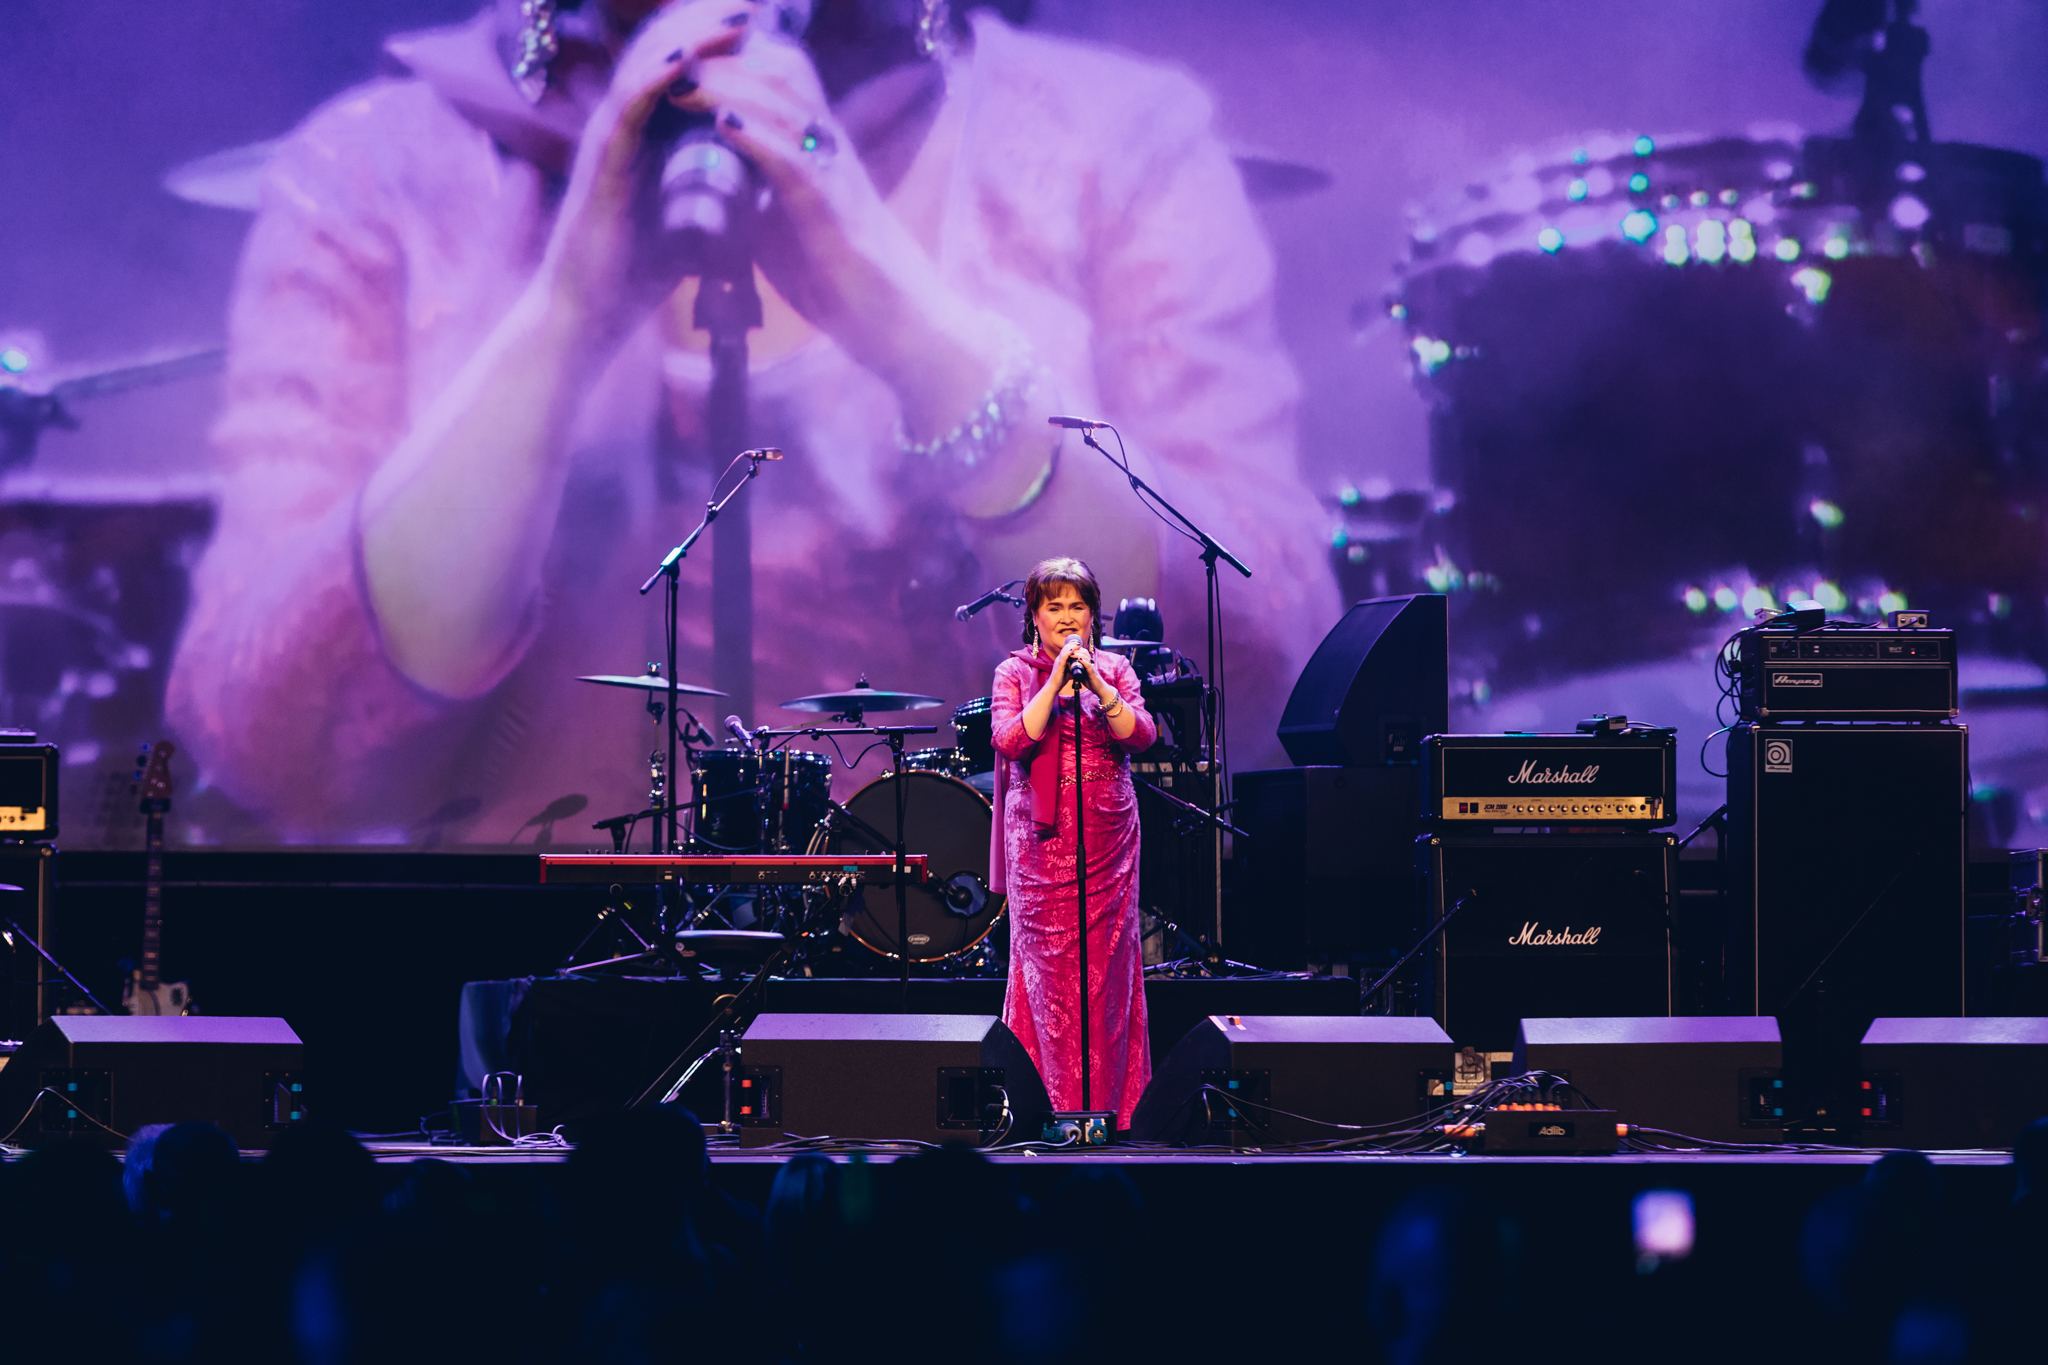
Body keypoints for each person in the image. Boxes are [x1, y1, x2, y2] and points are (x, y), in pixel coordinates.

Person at [165, 0, 1339, 842]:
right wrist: (565, 313)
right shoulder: (381, 170)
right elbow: (272, 737)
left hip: (985, 1000)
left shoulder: (1106, 147)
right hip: (526, 1040)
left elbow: (1259, 679)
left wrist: (914, 331)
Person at [989, 557, 1155, 1127]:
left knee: (1107, 972)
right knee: (1048, 971)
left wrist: (1097, 684)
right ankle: (1047, 1110)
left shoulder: (1115, 668)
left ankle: (1113, 1109)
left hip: (1109, 838)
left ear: (1093, 615)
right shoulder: (1014, 672)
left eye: (1076, 607)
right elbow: (1012, 739)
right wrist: (1056, 680)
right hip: (1041, 843)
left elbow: (1142, 734)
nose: (1066, 618)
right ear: (1033, 617)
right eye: (1053, 607)